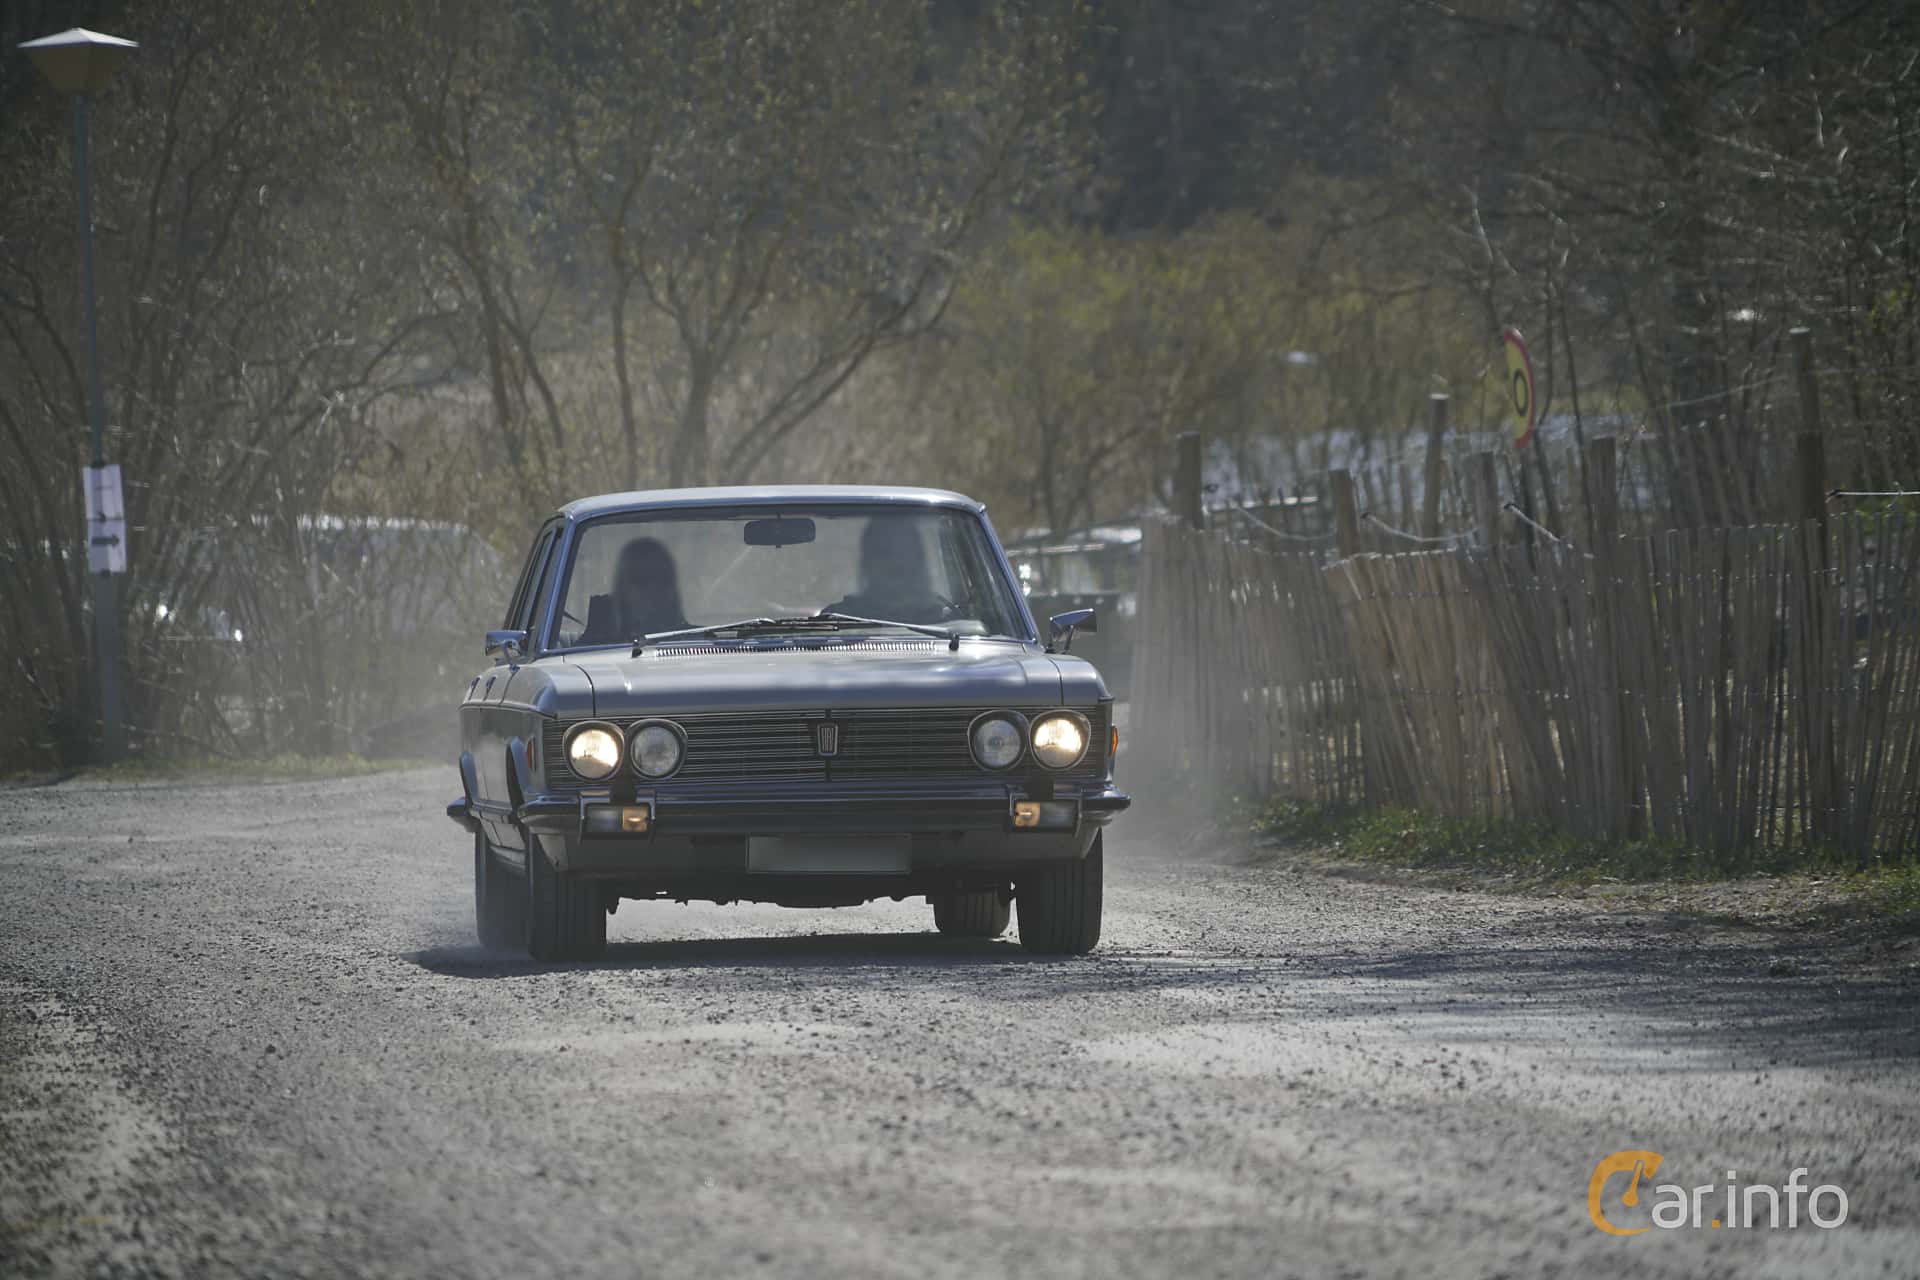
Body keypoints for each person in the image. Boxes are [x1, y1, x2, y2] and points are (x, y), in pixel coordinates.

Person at [825, 519, 952, 623]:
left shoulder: (945, 621)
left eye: (904, 552)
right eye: (884, 552)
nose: (895, 562)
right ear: (868, 560)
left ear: (918, 559)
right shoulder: (838, 619)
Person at [584, 536, 690, 642]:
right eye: (640, 580)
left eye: (662, 579)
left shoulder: (694, 639)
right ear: (622, 588)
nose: (652, 589)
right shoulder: (594, 646)